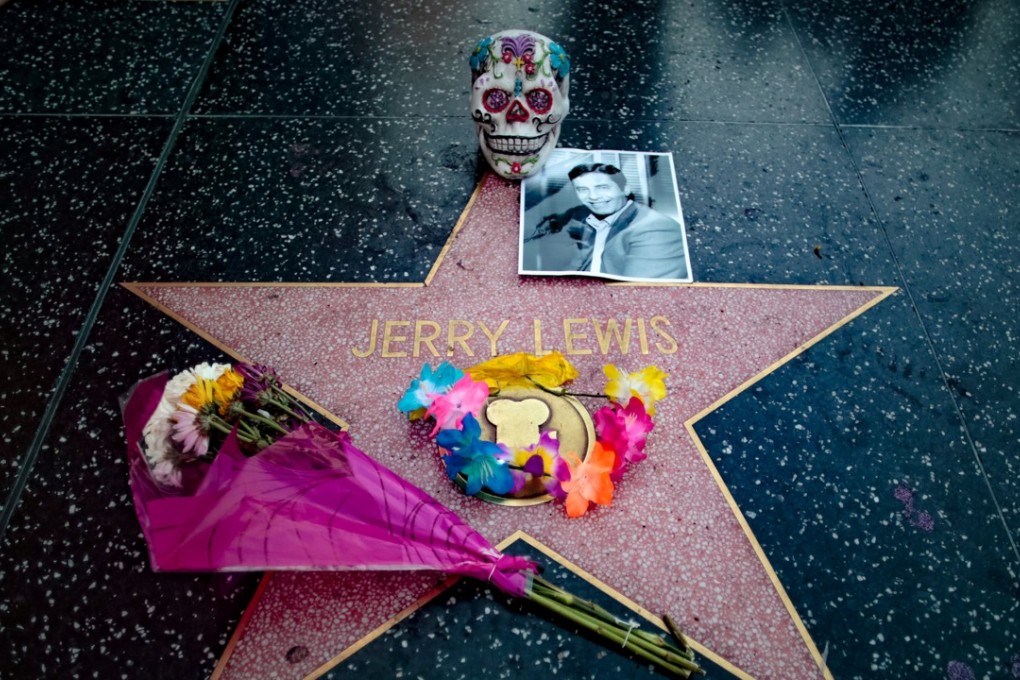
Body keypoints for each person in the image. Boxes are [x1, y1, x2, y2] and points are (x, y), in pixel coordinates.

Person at [565, 163, 687, 279]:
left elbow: (638, 293)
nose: (593, 197)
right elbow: (579, 268)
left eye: (602, 187)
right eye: (582, 189)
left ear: (625, 190)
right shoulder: (590, 222)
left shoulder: (656, 228)